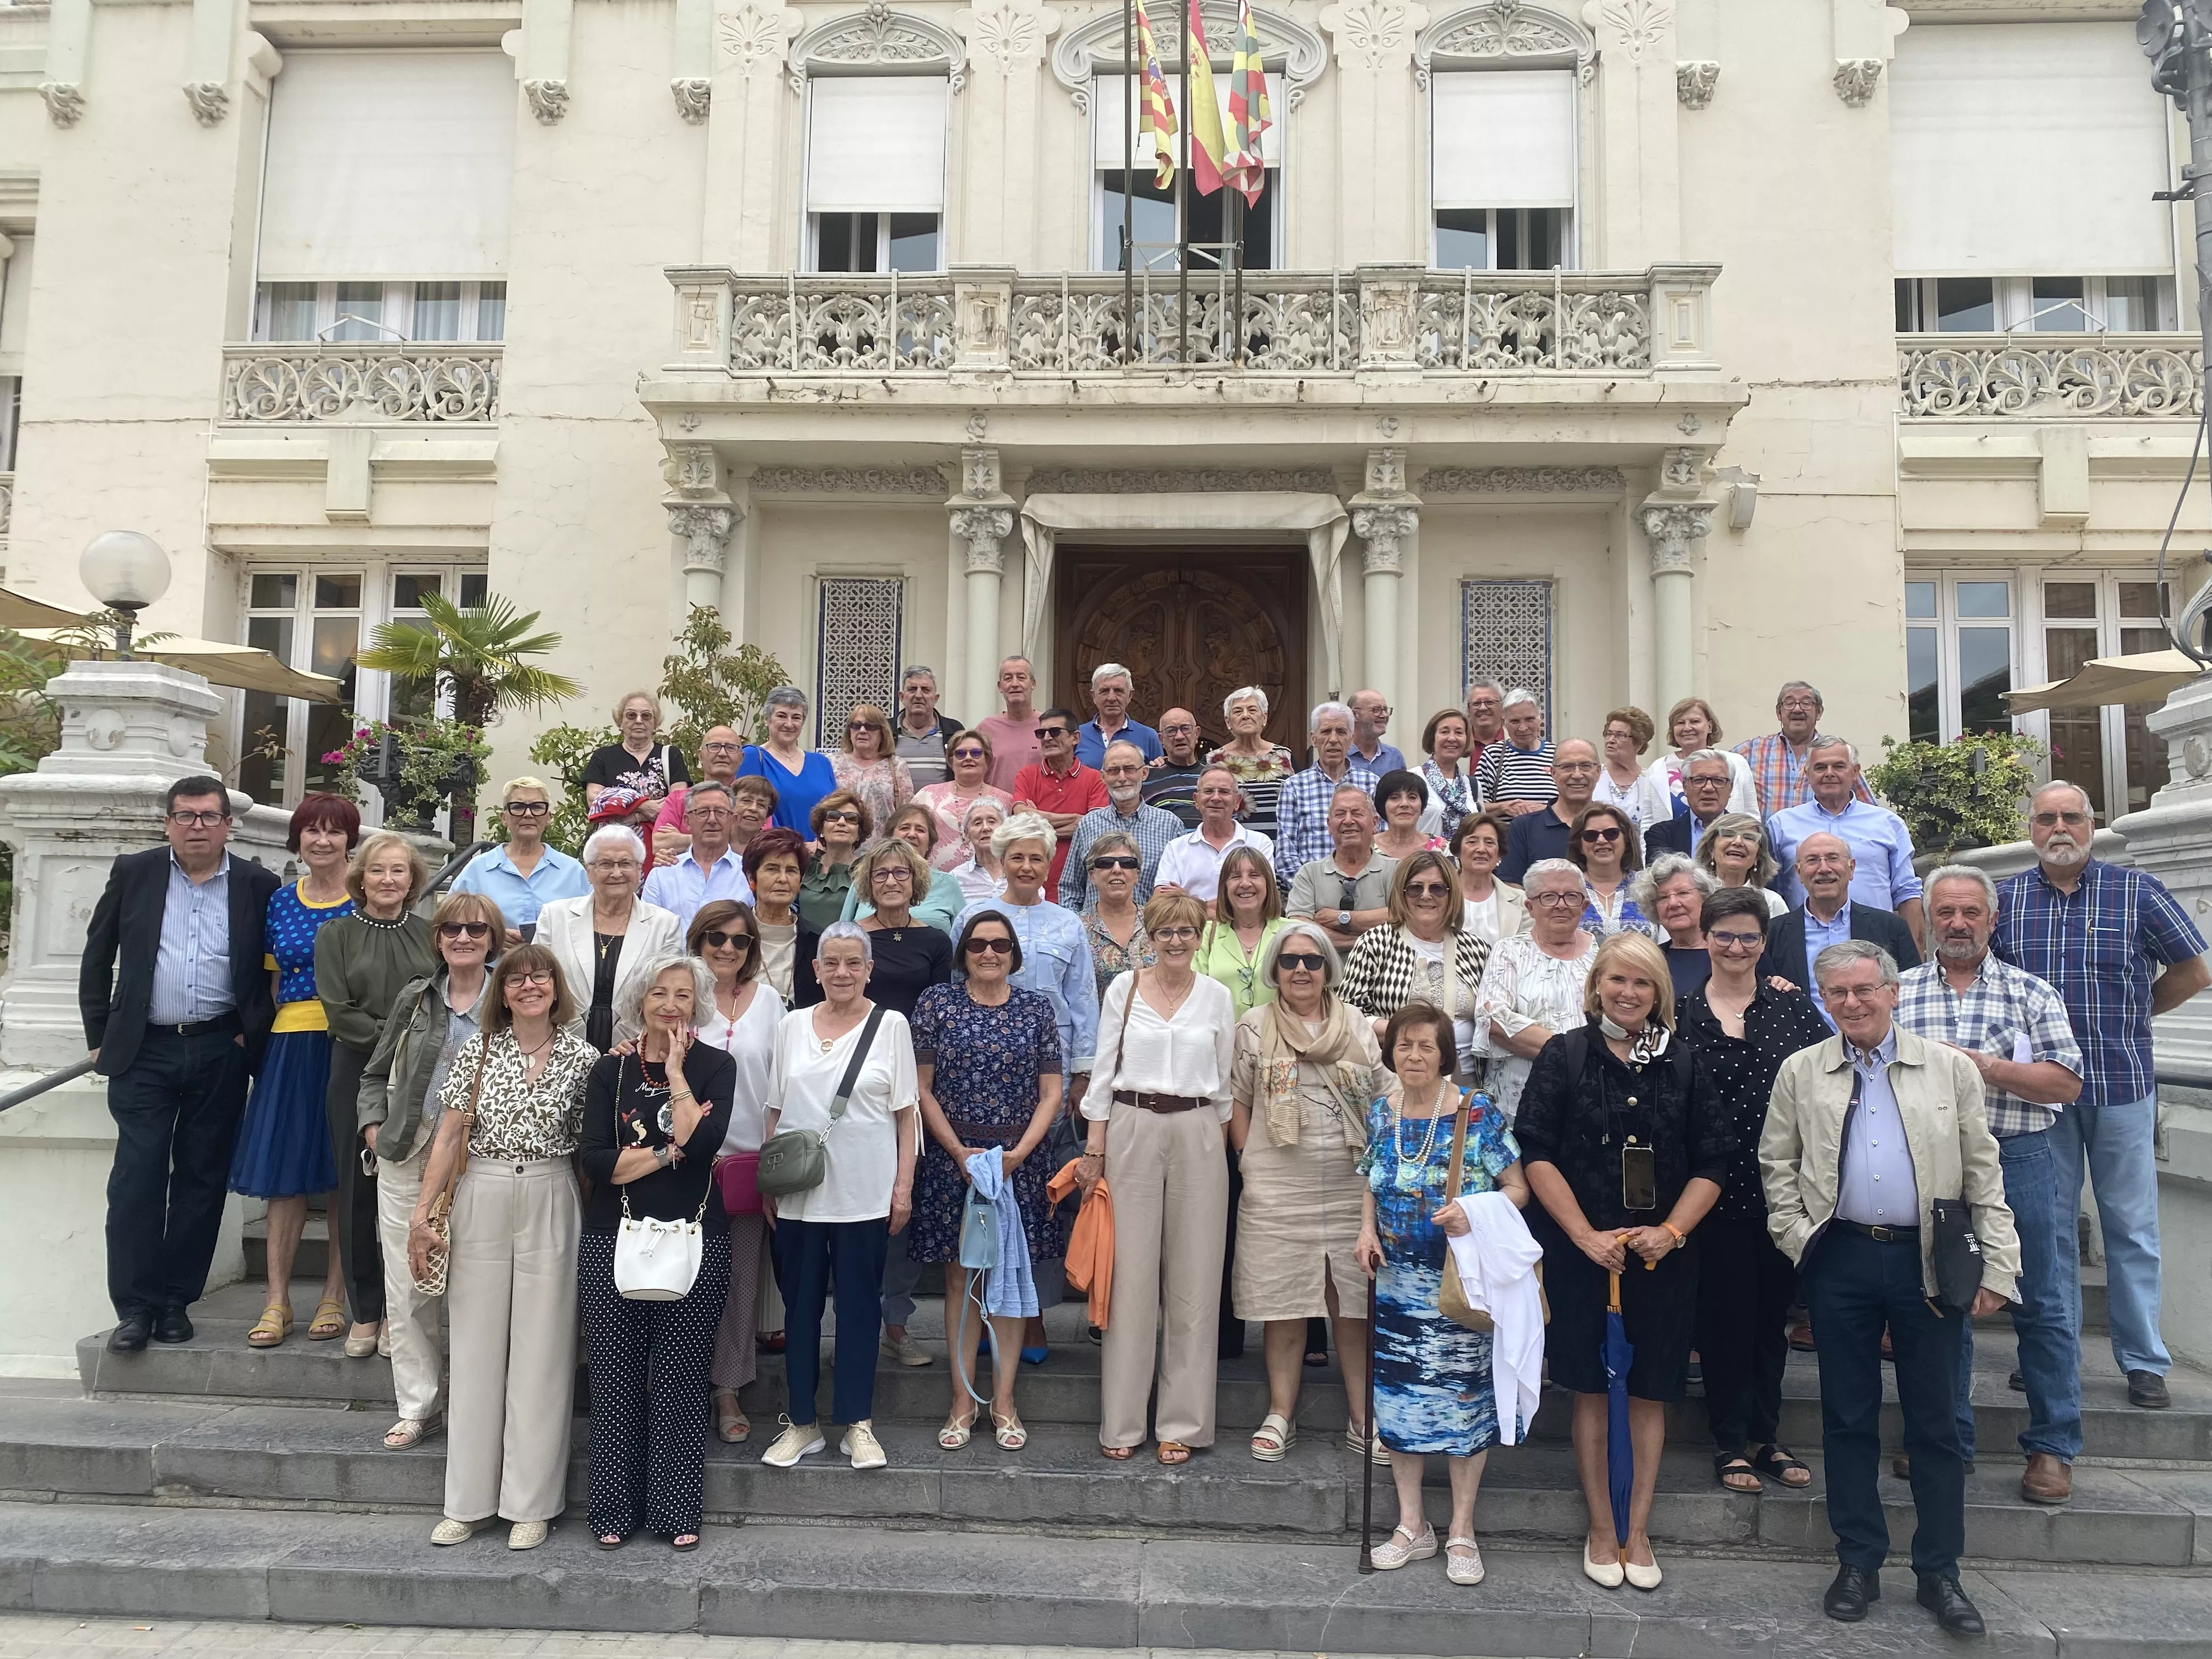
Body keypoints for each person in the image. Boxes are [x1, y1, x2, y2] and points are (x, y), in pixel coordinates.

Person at [1760, 940, 2020, 1635]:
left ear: (1894, 992)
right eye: (1838, 993)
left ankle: (1940, 1572)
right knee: (1847, 1418)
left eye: (1865, 989)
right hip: (1840, 1258)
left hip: (1926, 1261)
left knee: (1935, 1422)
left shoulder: (1948, 1069)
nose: (1852, 1003)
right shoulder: (1801, 1071)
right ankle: (1858, 1562)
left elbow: (1982, 1169)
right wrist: (1799, 1238)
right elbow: (1777, 1163)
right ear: (1824, 1000)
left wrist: (1999, 1264)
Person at [1516, 932, 1728, 1592]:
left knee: (1648, 1389)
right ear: (1597, 986)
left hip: (1663, 1257)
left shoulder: (1685, 1062)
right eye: (1617, 980)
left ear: (1659, 993)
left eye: (1642, 983)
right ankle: (1602, 1528)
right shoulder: (1565, 1054)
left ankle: (1638, 1530)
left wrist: (1672, 1231)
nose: (1628, 993)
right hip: (1584, 1252)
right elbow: (1536, 1151)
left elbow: (1714, 1161)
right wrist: (1583, 1236)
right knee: (1590, 1385)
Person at [1995, 780, 2209, 1412]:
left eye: (2072, 816)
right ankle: (2051, 1349)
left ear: (2092, 825)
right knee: (2048, 1226)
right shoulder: (2006, 900)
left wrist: (2139, 1016)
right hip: (2040, 1095)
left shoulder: (2137, 891)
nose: (2059, 828)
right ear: (2032, 829)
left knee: (2131, 1227)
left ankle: (2143, 1360)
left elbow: (2194, 970)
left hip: (2121, 1085)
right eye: (2047, 818)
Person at [1899, 866, 2085, 1503]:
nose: (1957, 924)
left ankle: (2053, 1446)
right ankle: (1946, 1437)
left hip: (2016, 1158)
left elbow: (2066, 1083)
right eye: (1945, 912)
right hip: (1933, 1164)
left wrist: (1987, 1068)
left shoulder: (2032, 993)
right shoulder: (1900, 992)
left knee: (2041, 1302)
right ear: (1930, 920)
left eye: (1970, 912)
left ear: (1993, 919)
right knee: (1940, 1300)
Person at [405, 944, 596, 1550]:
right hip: (483, 1191)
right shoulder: (478, 1050)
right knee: (475, 1348)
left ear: (556, 987)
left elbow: (589, 1150)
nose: (529, 986)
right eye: (516, 979)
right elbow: (448, 1137)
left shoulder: (584, 1058)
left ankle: (530, 1504)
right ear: (502, 992)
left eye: (540, 976)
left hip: (552, 1190)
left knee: (544, 1352)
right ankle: (466, 1501)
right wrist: (421, 1215)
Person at [84, 777, 283, 1353]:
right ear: (168, 823)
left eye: (209, 816)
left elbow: (269, 968)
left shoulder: (257, 884)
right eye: (186, 816)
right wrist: (98, 1037)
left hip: (220, 1048)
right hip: (143, 1050)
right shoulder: (136, 873)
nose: (198, 826)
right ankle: (135, 1308)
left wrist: (251, 1033)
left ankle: (175, 1302)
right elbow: (97, 955)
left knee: (202, 1179)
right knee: (136, 1180)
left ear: (227, 825)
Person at [1356, 1002, 1528, 1583]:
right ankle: (1413, 1526)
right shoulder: (1382, 1112)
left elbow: (1518, 1188)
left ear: (1445, 1055)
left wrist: (1474, 1212)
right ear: (1391, 1053)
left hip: (1460, 1289)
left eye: (1426, 1046)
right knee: (1398, 1408)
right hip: (1396, 1289)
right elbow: (1372, 1181)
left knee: (1463, 1405)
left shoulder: (1475, 1112)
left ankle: (1461, 1530)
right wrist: (1365, 1231)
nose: (1414, 1055)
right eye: (1404, 1045)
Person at [577, 953, 735, 1551]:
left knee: (682, 1379)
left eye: (683, 995)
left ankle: (675, 1510)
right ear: (639, 1002)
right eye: (659, 994)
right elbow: (598, 1161)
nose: (670, 1005)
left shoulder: (716, 1065)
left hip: (696, 1236)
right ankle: (613, 1510)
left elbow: (706, 1142)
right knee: (614, 1378)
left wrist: (675, 1073)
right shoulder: (609, 1070)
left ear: (698, 1004)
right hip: (612, 1237)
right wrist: (671, 1152)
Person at [1675, 890, 1830, 1499]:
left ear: (1764, 943)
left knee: (1771, 1319)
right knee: (1725, 1319)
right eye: (1724, 935)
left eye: (1748, 937)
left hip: (1785, 1191)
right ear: (1705, 939)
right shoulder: (1681, 1014)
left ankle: (1766, 1435)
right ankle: (1730, 1440)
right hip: (1712, 1192)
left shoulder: (1792, 1008)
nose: (1736, 947)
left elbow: (1826, 1079)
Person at [1079, 892, 1237, 1464]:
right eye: (1165, 931)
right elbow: (1103, 1072)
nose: (1175, 941)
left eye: (1185, 931)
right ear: (1150, 937)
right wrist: (1095, 1147)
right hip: (1131, 1126)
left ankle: (1182, 1424)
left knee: (1196, 1279)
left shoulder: (1217, 996)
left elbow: (1225, 1083)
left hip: (1197, 1127)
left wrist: (1217, 1147)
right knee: (1130, 1277)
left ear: (1200, 937)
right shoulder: (1123, 990)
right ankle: (1122, 1422)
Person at [760, 923, 921, 1472]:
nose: (842, 973)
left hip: (865, 1194)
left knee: (858, 1309)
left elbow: (906, 1115)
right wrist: (769, 1182)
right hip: (800, 1196)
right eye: (831, 962)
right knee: (800, 1311)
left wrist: (903, 1187)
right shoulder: (791, 1026)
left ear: (870, 969)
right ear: (816, 969)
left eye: (854, 962)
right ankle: (802, 1424)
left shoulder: (891, 1025)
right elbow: (775, 1111)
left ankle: (858, 1424)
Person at [910, 910, 1065, 1449]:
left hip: (1017, 1163)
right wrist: (957, 1151)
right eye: (978, 945)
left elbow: (1052, 1092)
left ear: (1014, 953)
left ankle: (1003, 1402)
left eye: (1000, 945)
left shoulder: (1036, 1008)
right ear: (964, 953)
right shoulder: (937, 1003)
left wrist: (1019, 1155)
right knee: (960, 1278)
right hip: (955, 1161)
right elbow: (921, 1088)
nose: (989, 953)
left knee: (1009, 1278)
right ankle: (961, 1402)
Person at [1231, 921, 1383, 1462]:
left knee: (1353, 1305)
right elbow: (1239, 1101)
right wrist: (1250, 1163)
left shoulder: (1357, 1024)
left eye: (1312, 960)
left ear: (1328, 969)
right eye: (1290, 960)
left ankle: (1363, 1417)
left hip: (1350, 1183)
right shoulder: (1253, 1026)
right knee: (1285, 1302)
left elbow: (1384, 1097)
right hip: (1277, 1183)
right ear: (1275, 969)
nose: (1301, 970)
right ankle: (1280, 1412)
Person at [359, 890, 504, 1451]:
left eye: (475, 929)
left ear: (492, 939)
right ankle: (418, 1406)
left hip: (480, 1158)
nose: (463, 938)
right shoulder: (416, 997)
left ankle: (473, 1405)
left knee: (475, 1285)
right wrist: (373, 1126)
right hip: (408, 1150)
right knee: (409, 1284)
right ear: (437, 939)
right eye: (451, 929)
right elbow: (374, 1073)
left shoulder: (511, 996)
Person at [227, 795, 359, 1350]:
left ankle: (334, 1295)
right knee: (283, 1177)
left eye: (334, 832)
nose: (322, 841)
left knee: (344, 1175)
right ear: (297, 839)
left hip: (349, 1044)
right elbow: (274, 982)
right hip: (289, 1044)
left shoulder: (365, 900)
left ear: (350, 840)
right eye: (312, 831)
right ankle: (277, 1300)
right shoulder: (282, 901)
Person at [315, 831, 437, 1356]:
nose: (388, 880)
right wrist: (396, 1043)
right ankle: (366, 1311)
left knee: (413, 1190)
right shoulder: (336, 933)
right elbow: (338, 1009)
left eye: (399, 871)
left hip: (421, 1072)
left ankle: (400, 1311)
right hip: (356, 1066)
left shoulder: (430, 933)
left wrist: (411, 1050)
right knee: (357, 1191)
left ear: (412, 881)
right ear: (360, 878)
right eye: (378, 870)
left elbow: (440, 1000)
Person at [951, 812, 1099, 1170]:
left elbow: (1083, 999)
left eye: (1036, 858)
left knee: (1043, 1158)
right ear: (1003, 861)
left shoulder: (1068, 923)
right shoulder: (973, 917)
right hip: (982, 1059)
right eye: (1017, 857)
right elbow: (956, 990)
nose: (1027, 867)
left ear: (1049, 865)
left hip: (1054, 1063)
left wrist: (1083, 1073)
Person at [688, 900, 784, 1448]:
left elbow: (784, 1083)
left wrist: (774, 1161)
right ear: (698, 941)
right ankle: (677, 1382)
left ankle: (728, 1388)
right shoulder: (681, 994)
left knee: (739, 1282)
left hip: (747, 1162)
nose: (727, 948)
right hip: (682, 1162)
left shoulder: (770, 1002)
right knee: (680, 1277)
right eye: (716, 938)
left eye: (740, 940)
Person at [1341, 852, 1492, 1080]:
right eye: (1415, 888)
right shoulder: (1375, 943)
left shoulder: (1477, 950)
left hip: (1467, 1074)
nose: (1426, 896)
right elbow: (1348, 1014)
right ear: (1402, 894)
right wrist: (1412, 1034)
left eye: (1438, 889)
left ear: (1451, 894)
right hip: (1397, 1074)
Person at [1472, 860, 1600, 1122]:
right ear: (1530, 906)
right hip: (1518, 1103)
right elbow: (1492, 1018)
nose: (1561, 905)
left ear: (1585, 906)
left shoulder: (1603, 956)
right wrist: (1571, 1053)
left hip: (1590, 1094)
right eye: (1549, 897)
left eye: (1572, 896)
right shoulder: (1509, 951)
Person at [539, 826, 684, 1053]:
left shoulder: (665, 925)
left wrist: (637, 1041)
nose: (616, 873)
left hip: (633, 1050)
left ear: (639, 870)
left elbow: (667, 993)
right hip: (559, 1046)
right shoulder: (554, 916)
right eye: (605, 864)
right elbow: (539, 983)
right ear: (589, 871)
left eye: (626, 863)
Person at [1767, 739, 1923, 938]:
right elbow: (1771, 893)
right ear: (1807, 774)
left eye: (1839, 766)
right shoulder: (1781, 825)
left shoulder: (1888, 823)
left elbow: (1907, 892)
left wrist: (1914, 952)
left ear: (1855, 772)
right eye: (1820, 767)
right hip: (1803, 942)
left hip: (1876, 942)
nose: (1829, 773)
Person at [1760, 832, 1921, 1025]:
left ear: (1851, 868)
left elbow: (1912, 993)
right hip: (1802, 1041)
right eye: (1812, 860)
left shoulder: (1891, 928)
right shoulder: (1773, 933)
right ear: (1799, 872)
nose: (1824, 868)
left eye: (1833, 858)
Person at [452, 778, 588, 940]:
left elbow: (593, 923)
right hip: (495, 957)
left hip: (557, 957)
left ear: (548, 817)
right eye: (518, 807)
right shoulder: (478, 870)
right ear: (504, 818)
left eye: (537, 807)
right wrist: (492, 939)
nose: (528, 814)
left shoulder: (573, 871)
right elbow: (450, 923)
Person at [1059, 739, 1182, 912]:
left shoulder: (1170, 826)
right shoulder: (1088, 825)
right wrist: (1077, 925)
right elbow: (1071, 888)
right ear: (1103, 777)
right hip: (1093, 928)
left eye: (1130, 769)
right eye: (1114, 770)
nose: (1122, 778)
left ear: (1144, 773)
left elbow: (1181, 889)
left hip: (1152, 928)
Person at [1273, 702, 1379, 893]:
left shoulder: (1371, 784)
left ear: (1352, 739)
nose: (1333, 740)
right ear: (1313, 739)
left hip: (1367, 892)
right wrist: (1313, 892)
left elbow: (1381, 841)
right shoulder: (1294, 787)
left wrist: (1362, 889)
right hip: (1310, 894)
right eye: (1326, 732)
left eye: (1341, 732)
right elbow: (1285, 855)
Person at [1734, 680, 1875, 817]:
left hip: (1824, 833)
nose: (1797, 709)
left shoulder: (1836, 753)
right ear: (1779, 713)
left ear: (1819, 712)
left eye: (1806, 703)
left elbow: (1870, 810)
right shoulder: (1748, 753)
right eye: (1789, 703)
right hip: (1767, 834)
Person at [1286, 785, 1398, 953]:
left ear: (1375, 823)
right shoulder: (1309, 874)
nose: (1348, 821)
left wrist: (1341, 918)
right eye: (1340, 814)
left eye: (1357, 813)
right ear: (1329, 825)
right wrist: (1368, 939)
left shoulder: (1397, 870)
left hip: (1383, 969)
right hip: (1325, 969)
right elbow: (1299, 928)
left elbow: (1405, 919)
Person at [849, 839, 954, 1017]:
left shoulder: (937, 942)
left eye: (901, 872)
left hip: (917, 1034)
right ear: (869, 883)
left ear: (915, 879)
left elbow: (940, 1009)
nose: (891, 882)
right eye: (881, 874)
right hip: (861, 1032)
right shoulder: (850, 938)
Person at [1014, 708, 1108, 896]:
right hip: (1035, 884)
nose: (1047, 738)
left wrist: (1038, 826)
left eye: (1055, 732)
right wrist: (1076, 819)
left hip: (1081, 884)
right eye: (1041, 733)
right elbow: (1021, 818)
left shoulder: (1096, 778)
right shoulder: (1026, 775)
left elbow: (1094, 827)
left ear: (1075, 738)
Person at [640, 780, 752, 933]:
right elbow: (648, 933)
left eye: (720, 812)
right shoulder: (663, 874)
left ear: (733, 821)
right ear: (688, 822)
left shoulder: (749, 875)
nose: (712, 820)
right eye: (702, 812)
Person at [1152, 766, 1273, 905]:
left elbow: (1263, 899)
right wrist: (1235, 902)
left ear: (1237, 801)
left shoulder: (1260, 843)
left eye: (1224, 791)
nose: (1216, 798)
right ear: (1197, 800)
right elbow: (1162, 902)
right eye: (1209, 791)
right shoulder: (1176, 848)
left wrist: (1188, 899)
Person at [839, 803, 968, 933]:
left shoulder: (948, 884)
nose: (912, 834)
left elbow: (963, 936)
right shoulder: (866, 878)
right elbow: (843, 932)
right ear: (890, 838)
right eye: (905, 828)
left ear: (930, 843)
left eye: (920, 830)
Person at [1193, 847, 1289, 1018]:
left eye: (1254, 875)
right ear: (1224, 887)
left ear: (1268, 883)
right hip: (1220, 1033)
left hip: (1279, 1032)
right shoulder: (1205, 934)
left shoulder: (1292, 933)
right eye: (1235, 877)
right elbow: (1192, 993)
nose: (1245, 884)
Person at [650, 730, 765, 868]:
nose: (722, 753)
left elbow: (760, 847)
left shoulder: (755, 802)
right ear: (700, 755)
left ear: (742, 758)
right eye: (714, 746)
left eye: (730, 748)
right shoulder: (678, 800)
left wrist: (686, 839)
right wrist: (729, 839)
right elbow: (659, 844)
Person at [737, 686, 838, 837]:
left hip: (820, 850)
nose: (789, 724)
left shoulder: (822, 763)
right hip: (774, 848)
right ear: (767, 719)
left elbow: (834, 811)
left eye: (796, 718)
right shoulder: (753, 757)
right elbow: (746, 811)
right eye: (782, 716)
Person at [1496, 740, 1598, 884]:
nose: (1577, 775)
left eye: (1586, 766)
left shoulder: (1614, 828)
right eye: (1567, 767)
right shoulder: (1524, 828)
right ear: (1553, 773)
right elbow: (1511, 886)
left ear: (1598, 772)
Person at [1646, 697, 1757, 820]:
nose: (1687, 728)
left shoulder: (1735, 762)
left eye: (1695, 721)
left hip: (1728, 832)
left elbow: (1751, 814)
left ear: (1710, 726)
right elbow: (1649, 819)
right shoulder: (1658, 768)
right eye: (1680, 723)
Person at [915, 730, 1010, 871]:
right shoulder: (927, 795)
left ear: (987, 760)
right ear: (951, 761)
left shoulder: (1006, 800)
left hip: (991, 881)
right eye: (960, 754)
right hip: (935, 880)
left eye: (976, 753)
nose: (968, 758)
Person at [1208, 686, 1297, 838]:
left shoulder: (1285, 756)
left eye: (1252, 710)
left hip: (1278, 844)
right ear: (1228, 721)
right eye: (1238, 711)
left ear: (1264, 718)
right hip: (1233, 845)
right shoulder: (1213, 760)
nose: (1245, 716)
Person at [743, 827, 817, 1007]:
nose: (783, 879)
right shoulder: (733, 936)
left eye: (791, 871)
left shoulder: (817, 940)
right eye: (772, 869)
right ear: (751, 878)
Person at [1081, 830, 1156, 1002]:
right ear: (1092, 876)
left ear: (1137, 875)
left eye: (1127, 863)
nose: (1117, 869)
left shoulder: (1158, 923)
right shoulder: (1076, 928)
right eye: (1106, 863)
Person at [831, 702, 915, 848]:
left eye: (870, 726)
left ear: (882, 733)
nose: (862, 731)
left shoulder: (897, 766)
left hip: (882, 852)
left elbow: (907, 814)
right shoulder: (831, 764)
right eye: (856, 725)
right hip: (838, 850)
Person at [583, 690, 690, 805]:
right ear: (621, 722)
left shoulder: (671, 755)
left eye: (646, 716)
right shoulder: (603, 757)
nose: (639, 721)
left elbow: (679, 800)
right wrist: (641, 808)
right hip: (617, 819)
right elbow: (594, 800)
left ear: (655, 724)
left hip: (661, 817)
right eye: (631, 715)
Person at [1634, 854, 1717, 997]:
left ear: (1705, 898)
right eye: (1663, 897)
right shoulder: (1649, 960)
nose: (1673, 903)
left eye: (1683, 893)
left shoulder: (1731, 952)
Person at [1566, 802, 1648, 938]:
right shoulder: (1565, 890)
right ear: (1579, 845)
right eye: (1591, 835)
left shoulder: (1648, 887)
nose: (1601, 840)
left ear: (1627, 840)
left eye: (1611, 833)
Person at [1642, 749, 1736, 864]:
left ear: (1730, 789)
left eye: (1718, 781)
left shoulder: (1750, 834)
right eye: (1699, 780)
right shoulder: (1662, 835)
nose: (1709, 788)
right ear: (1685, 788)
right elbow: (1661, 874)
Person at [1450, 811, 1527, 947]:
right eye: (1472, 842)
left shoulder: (1521, 901)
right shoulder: (1439, 894)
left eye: (1490, 843)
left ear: (1499, 854)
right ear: (1458, 850)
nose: (1481, 849)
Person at [1474, 689, 1555, 818]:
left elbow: (1573, 806)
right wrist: (1503, 807)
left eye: (1529, 719)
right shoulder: (1493, 755)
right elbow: (1476, 807)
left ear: (1541, 718)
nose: (1523, 728)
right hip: (1507, 831)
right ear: (1504, 723)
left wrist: (1546, 809)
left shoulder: (1556, 755)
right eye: (1515, 721)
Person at [1694, 811, 1789, 919]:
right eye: (1728, 834)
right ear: (1711, 849)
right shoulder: (1695, 896)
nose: (1738, 842)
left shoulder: (1773, 902)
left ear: (1758, 856)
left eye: (1749, 838)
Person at [971, 654, 1045, 793]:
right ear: (1000, 686)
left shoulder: (1048, 726)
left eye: (1021, 678)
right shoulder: (985, 729)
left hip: (1039, 806)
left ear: (1033, 684)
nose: (1015, 684)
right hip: (996, 805)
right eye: (1008, 679)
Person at [799, 791, 870, 934]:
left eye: (851, 819)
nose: (842, 822)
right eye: (833, 816)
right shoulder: (804, 865)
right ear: (822, 828)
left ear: (859, 833)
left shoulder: (869, 871)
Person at [1594, 707, 1671, 832]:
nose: (1611, 740)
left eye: (1620, 735)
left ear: (1638, 744)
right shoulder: (1593, 776)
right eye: (1608, 734)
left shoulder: (1651, 781)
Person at [1076, 661, 1163, 766]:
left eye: (1119, 691)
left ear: (1130, 695)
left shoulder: (1149, 736)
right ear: (1094, 696)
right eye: (1104, 691)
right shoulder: (1077, 736)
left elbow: (1159, 775)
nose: (1111, 698)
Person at [893, 665, 964, 789]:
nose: (918, 695)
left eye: (926, 690)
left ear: (936, 698)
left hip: (942, 802)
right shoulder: (886, 730)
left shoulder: (954, 731)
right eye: (912, 689)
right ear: (902, 697)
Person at [1418, 709, 1477, 844]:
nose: (1452, 738)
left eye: (1459, 733)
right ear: (1432, 738)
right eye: (1445, 732)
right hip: (1424, 857)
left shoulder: (1472, 785)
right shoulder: (1414, 779)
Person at [1141, 707, 1207, 827]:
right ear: (1162, 739)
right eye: (1171, 731)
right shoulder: (1146, 777)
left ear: (1197, 734)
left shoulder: (1212, 776)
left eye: (1185, 728)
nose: (1179, 736)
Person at [1373, 769, 1444, 863]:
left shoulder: (1443, 849)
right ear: (1382, 806)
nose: (1404, 804)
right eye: (1395, 798)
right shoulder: (1366, 847)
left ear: (1422, 806)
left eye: (1412, 797)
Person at [949, 797, 1008, 907]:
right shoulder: (955, 878)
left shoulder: (1019, 871)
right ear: (967, 834)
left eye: (992, 822)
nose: (985, 828)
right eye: (977, 823)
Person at [1348, 689, 1408, 775]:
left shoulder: (1395, 757)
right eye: (1376, 710)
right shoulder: (1339, 756)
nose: (1384, 715)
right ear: (1355, 715)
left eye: (1386, 710)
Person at [1463, 678, 1506, 758]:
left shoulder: (1516, 741)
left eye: (1490, 702)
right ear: (1469, 710)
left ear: (1503, 707)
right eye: (1476, 704)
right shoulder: (1459, 743)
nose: (1483, 708)